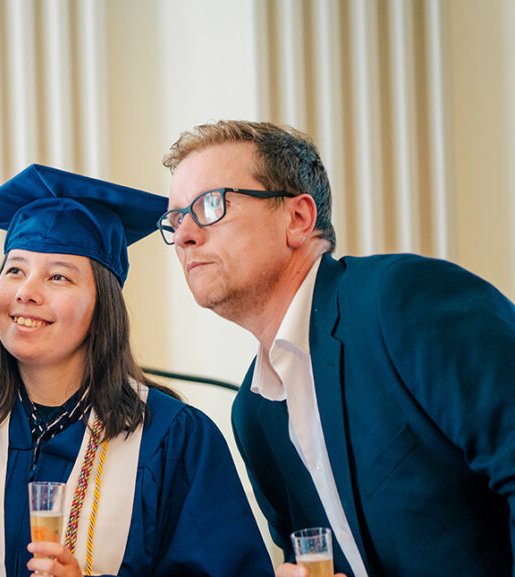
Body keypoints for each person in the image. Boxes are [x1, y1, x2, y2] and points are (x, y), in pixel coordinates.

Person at [160, 120, 515, 577]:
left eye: (210, 205)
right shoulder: (253, 414)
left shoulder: (401, 301)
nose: (185, 235)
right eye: (174, 220)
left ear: (297, 219)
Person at [0, 164, 274, 576]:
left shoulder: (172, 439)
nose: (26, 292)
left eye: (59, 276)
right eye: (15, 270)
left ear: (102, 308)